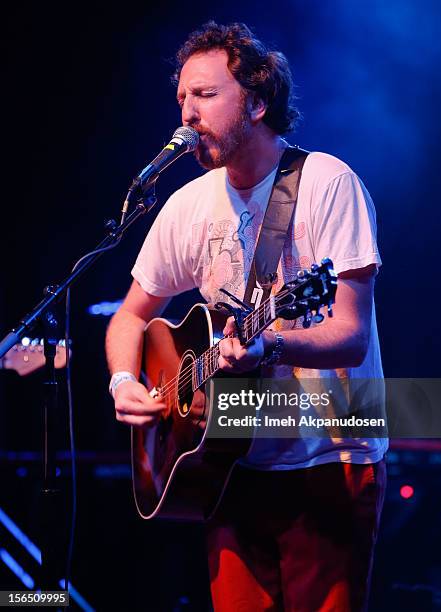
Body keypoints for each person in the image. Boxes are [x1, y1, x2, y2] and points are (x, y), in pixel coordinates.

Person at [105, 21, 387, 612]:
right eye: (181, 97)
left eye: (205, 95)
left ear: (257, 103)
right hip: (226, 464)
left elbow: (351, 335)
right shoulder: (188, 204)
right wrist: (125, 380)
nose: (186, 112)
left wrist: (275, 347)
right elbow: (130, 318)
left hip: (326, 458)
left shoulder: (327, 184)